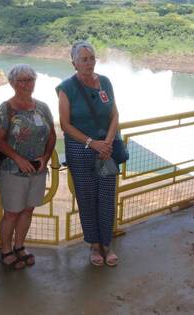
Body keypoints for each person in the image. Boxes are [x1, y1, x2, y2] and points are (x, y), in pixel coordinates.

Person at [56, 40, 120, 267]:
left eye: (92, 58)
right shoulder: (66, 88)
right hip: (80, 149)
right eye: (84, 59)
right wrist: (93, 143)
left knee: (106, 197)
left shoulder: (105, 82)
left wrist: (108, 142)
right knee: (87, 198)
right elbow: (65, 125)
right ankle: (94, 244)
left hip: (106, 148)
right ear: (74, 62)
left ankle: (107, 244)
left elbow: (115, 115)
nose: (89, 63)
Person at [0, 64, 56, 269]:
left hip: (37, 171)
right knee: (12, 212)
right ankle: (5, 250)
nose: (27, 84)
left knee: (28, 210)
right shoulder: (6, 108)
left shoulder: (42, 107)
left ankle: (19, 246)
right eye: (22, 80)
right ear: (12, 83)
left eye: (30, 79)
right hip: (12, 170)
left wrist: (45, 158)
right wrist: (18, 159)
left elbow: (52, 134)